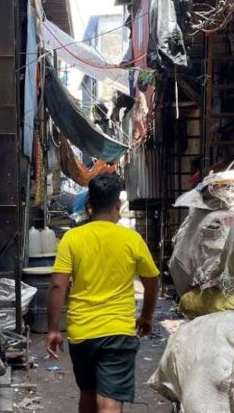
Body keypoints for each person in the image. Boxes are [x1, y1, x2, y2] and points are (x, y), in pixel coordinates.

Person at [46, 173, 160, 413]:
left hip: (82, 333)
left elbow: (57, 285)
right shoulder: (132, 239)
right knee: (109, 402)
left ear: (89, 206)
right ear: (117, 206)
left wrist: (53, 329)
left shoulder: (71, 238)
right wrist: (147, 316)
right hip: (118, 333)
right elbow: (152, 282)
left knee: (88, 395)